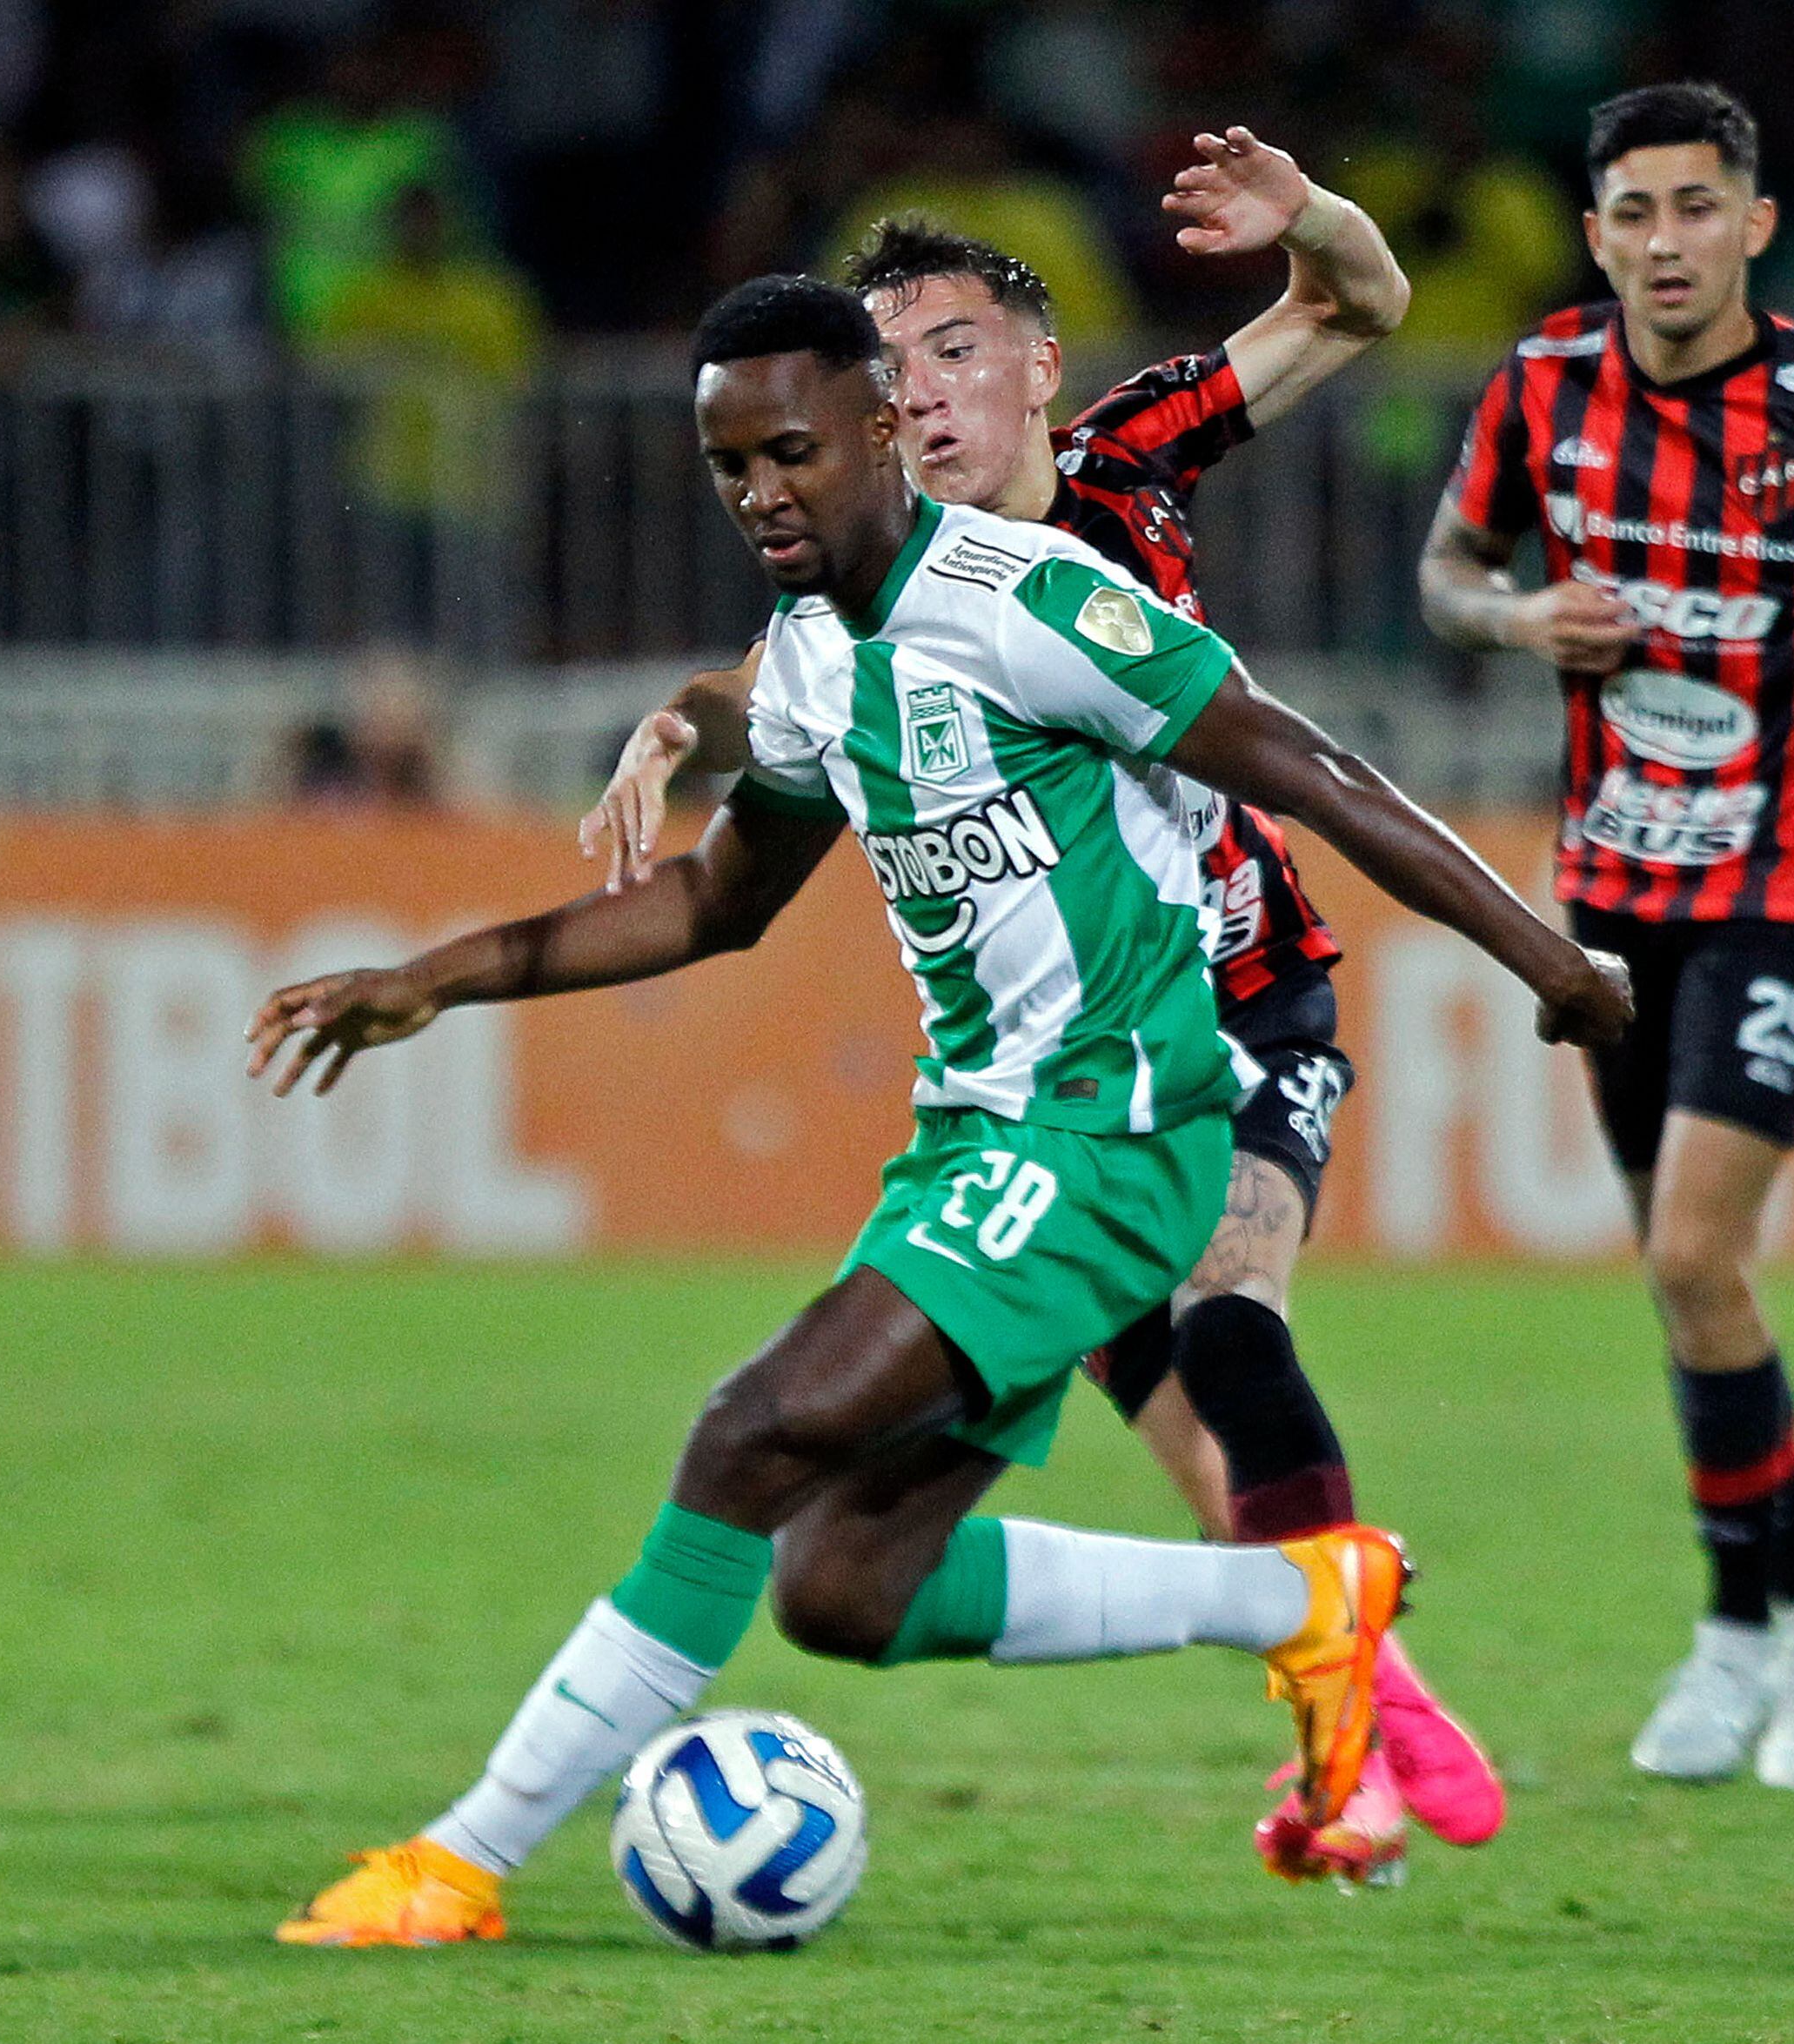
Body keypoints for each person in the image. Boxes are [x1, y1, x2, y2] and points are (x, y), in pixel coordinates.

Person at [247, 275, 1631, 1948]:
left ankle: (457, 1862)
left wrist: (1545, 958)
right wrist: (435, 977)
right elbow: (710, 905)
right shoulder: (819, 664)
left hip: (1116, 1136)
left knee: (746, 1430)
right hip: (977, 1140)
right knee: (840, 1586)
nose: (762, 491)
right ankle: (1302, 1595)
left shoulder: (1035, 600)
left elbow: (1309, 772)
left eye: (790, 452)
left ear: (882, 430)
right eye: (729, 467)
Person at [584, 132, 1497, 1882]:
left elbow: (1360, 305)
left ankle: (1363, 1727)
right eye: (884, 360)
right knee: (1182, 1443)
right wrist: (675, 724)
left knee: (1231, 1325)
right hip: (1056, 1082)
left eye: (949, 349)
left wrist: (1302, 219)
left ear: (1036, 369)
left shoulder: (1128, 462)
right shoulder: (856, 566)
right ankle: (1359, 1679)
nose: (914, 391)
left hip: (1239, 1003)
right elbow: (763, 693)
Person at [1420, 83, 1794, 1791]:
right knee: (1680, 1275)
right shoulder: (1542, 387)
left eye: (1698, 207)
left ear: (1754, 223)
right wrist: (1513, 613)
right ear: (1597, 230)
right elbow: (1447, 569)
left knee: (1694, 1253)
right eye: (1634, 212)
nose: (1666, 242)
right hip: (1614, 884)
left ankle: (1735, 1626)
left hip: (1791, 875)